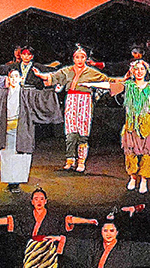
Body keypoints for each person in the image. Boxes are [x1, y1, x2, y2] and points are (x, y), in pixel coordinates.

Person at [80, 60, 150, 193]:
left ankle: (144, 180)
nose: (139, 72)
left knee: (149, 153)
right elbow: (108, 85)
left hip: (148, 122)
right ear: (132, 71)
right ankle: (133, 177)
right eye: (136, 69)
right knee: (130, 152)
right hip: (132, 123)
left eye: (142, 69)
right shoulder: (128, 85)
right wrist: (89, 84)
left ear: (146, 71)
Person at [35, 45, 110, 173]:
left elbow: (107, 81)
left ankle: (81, 161)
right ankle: (70, 159)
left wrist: (122, 80)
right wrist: (40, 75)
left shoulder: (92, 72)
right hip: (71, 99)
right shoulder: (67, 70)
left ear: (86, 59)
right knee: (70, 130)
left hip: (84, 101)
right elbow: (54, 76)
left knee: (83, 131)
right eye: (77, 57)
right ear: (73, 58)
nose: (80, 60)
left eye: (82, 57)